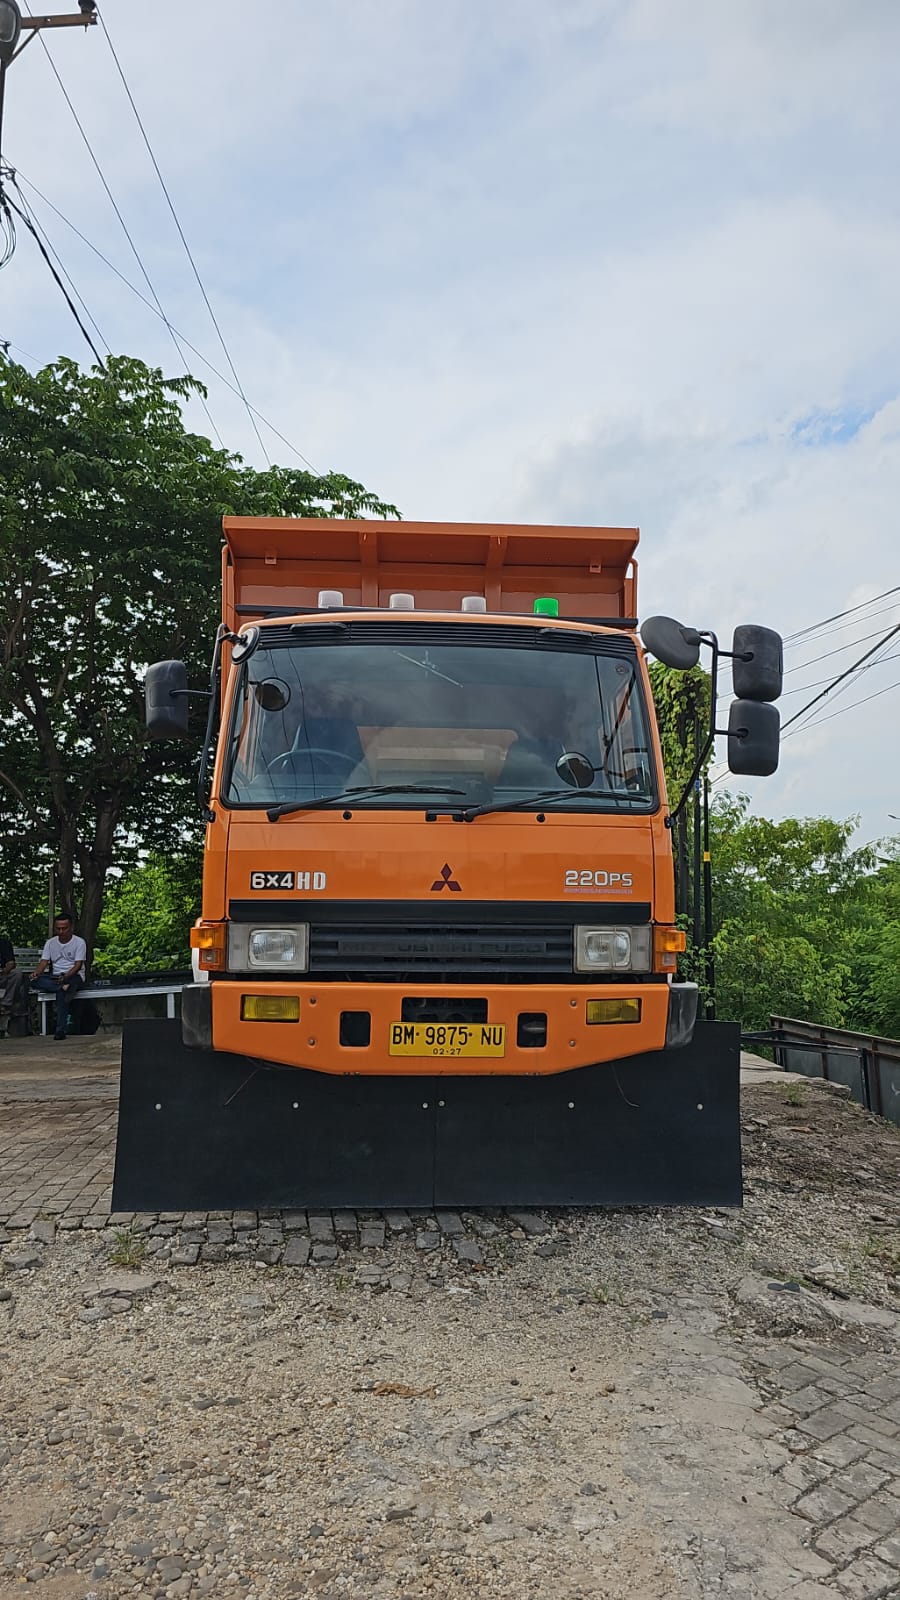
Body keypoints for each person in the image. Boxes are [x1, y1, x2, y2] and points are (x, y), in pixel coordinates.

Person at [31, 913, 87, 1041]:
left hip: (73, 975)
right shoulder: (50, 943)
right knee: (34, 982)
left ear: (71, 928)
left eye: (64, 928)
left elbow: (78, 965)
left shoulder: (79, 942)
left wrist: (66, 977)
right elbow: (44, 962)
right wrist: (36, 973)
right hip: (55, 978)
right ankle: (63, 986)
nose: (61, 931)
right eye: (58, 928)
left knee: (63, 990)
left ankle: (60, 1030)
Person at [0, 935, 30, 1035]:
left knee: (17, 973)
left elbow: (11, 963)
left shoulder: (4, 943)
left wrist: (4, 971)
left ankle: (6, 1004)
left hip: (2, 975)